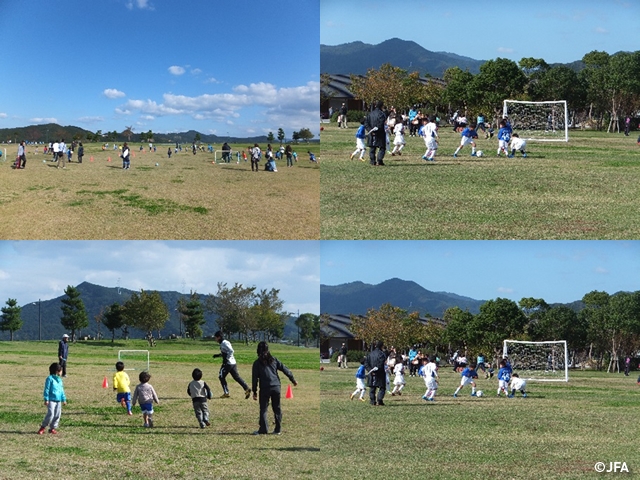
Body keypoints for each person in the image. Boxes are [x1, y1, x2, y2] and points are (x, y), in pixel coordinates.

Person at [251, 341, 297, 435]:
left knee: (263, 409)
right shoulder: (274, 360)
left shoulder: (257, 363)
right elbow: (285, 369)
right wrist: (292, 379)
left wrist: (254, 391)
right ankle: (278, 429)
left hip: (265, 388)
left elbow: (254, 378)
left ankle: (263, 429)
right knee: (277, 408)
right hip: (276, 386)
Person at [213, 330, 252, 399]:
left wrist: (227, 358)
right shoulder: (223, 343)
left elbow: (231, 351)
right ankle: (246, 388)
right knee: (236, 377)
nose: (215, 339)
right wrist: (218, 355)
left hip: (228, 363)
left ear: (219, 337)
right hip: (232, 363)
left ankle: (226, 392)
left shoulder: (224, 343)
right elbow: (225, 352)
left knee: (221, 376)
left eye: (215, 337)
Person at [38, 363, 67, 434]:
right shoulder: (49, 379)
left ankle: (52, 428)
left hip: (58, 400)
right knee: (51, 414)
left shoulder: (59, 380)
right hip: (51, 399)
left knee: (57, 414)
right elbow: (47, 389)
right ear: (57, 371)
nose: (61, 372)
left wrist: (64, 399)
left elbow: (61, 390)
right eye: (61, 371)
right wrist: (46, 399)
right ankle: (43, 427)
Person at [365, 340, 387, 406]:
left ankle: (372, 401)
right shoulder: (382, 354)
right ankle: (379, 400)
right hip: (380, 373)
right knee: (382, 387)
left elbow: (366, 363)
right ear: (382, 346)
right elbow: (381, 363)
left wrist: (370, 370)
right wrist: (376, 370)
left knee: (372, 387)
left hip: (371, 373)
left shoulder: (370, 354)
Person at [365, 100, 387, 166]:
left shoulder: (370, 114)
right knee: (382, 147)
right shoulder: (382, 114)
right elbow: (381, 123)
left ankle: (372, 161)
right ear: (382, 106)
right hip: (380, 133)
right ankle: (379, 160)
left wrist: (370, 130)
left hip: (371, 133)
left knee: (372, 147)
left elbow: (366, 123)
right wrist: (376, 130)